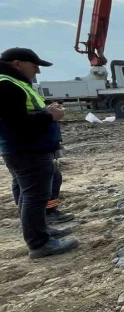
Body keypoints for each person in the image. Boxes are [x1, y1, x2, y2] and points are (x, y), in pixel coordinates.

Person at [0, 47, 79, 258]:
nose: (38, 71)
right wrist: (50, 116)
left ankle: (40, 231)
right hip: (27, 150)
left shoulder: (15, 83)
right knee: (35, 196)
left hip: (25, 149)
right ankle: (39, 243)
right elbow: (17, 122)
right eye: (35, 66)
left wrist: (46, 111)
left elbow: (23, 113)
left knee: (30, 194)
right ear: (17, 64)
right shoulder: (7, 85)